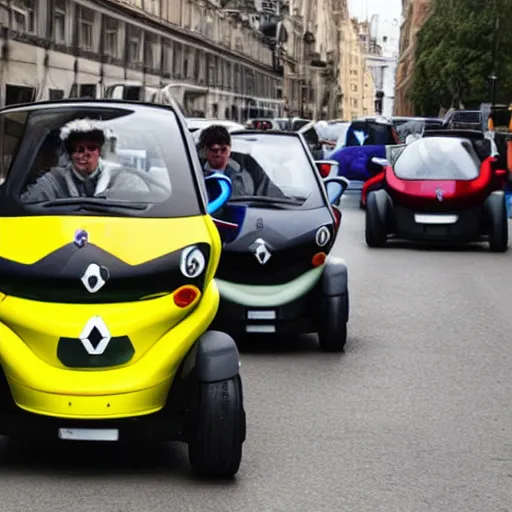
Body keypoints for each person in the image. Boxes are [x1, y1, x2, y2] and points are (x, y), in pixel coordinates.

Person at [21, 118, 148, 203]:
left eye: (91, 148)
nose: (85, 154)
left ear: (99, 152)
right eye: (79, 149)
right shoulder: (54, 180)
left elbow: (142, 201)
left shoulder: (119, 177)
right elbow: (29, 203)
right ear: (71, 155)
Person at [198, 124, 285, 198]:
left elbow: (270, 192)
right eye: (214, 150)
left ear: (230, 149)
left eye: (223, 150)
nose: (219, 154)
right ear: (206, 150)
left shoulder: (249, 169)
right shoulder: (195, 174)